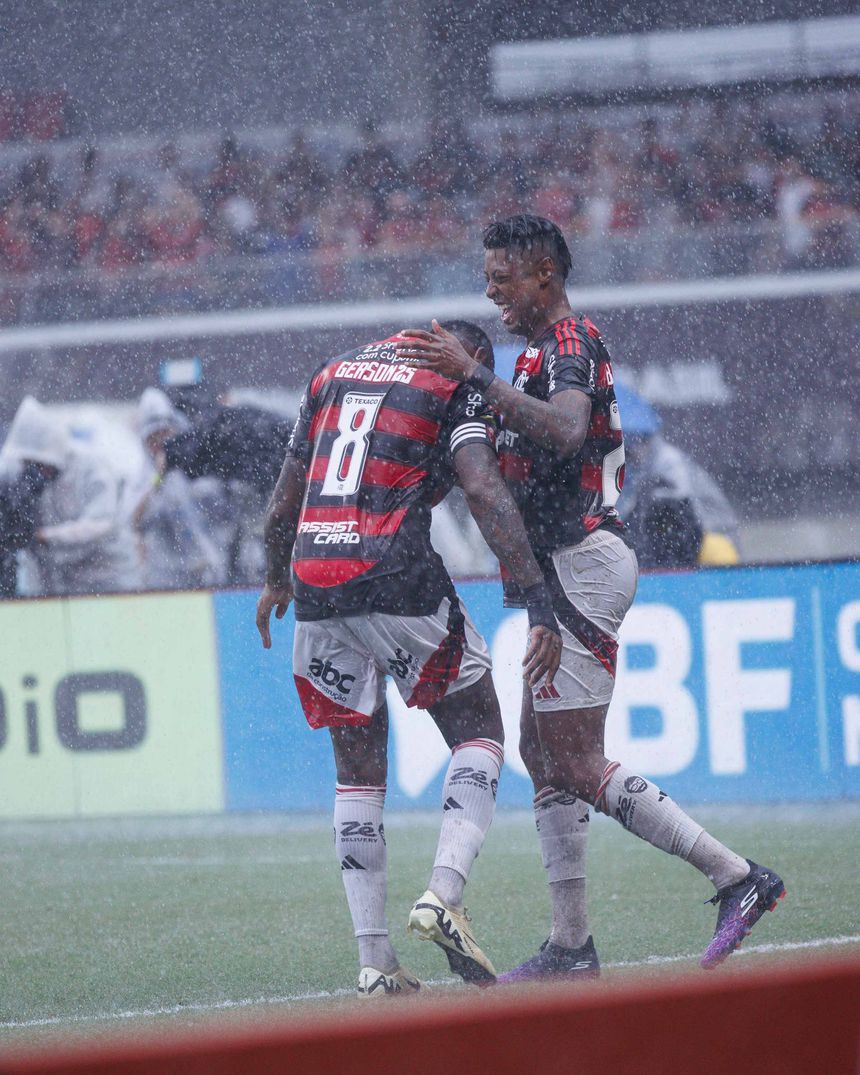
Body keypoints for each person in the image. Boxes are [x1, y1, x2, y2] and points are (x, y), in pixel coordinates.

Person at [396, 214, 784, 980]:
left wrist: (474, 377)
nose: (490, 288)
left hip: (583, 565)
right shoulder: (540, 351)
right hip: (562, 571)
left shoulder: (569, 343)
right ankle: (571, 943)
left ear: (544, 275)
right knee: (542, 752)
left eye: (501, 277)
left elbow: (569, 432)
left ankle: (737, 876)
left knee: (572, 759)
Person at [256, 321, 562, 997]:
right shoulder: (456, 376)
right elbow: (481, 489)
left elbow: (282, 503)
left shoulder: (329, 373)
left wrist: (277, 577)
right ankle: (444, 894)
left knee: (357, 770)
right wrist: (535, 595)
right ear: (471, 355)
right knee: (480, 730)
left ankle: (376, 959)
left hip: (315, 579)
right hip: (395, 575)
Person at [0, 396, 138, 596]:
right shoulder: (32, 485)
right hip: (63, 586)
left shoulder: (91, 468)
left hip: (109, 581)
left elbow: (101, 523)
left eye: (38, 464)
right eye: (29, 464)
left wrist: (46, 537)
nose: (35, 471)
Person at [127, 388, 225, 590]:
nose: (161, 442)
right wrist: (158, 478)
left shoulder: (199, 466)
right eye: (154, 437)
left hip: (212, 568)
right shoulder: (141, 477)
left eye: (165, 434)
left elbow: (220, 505)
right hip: (166, 576)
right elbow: (132, 519)